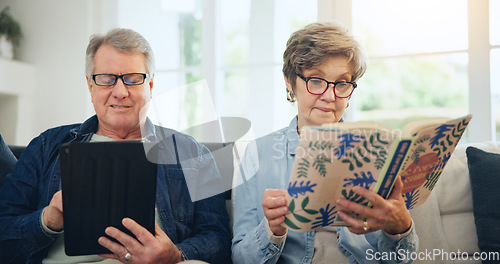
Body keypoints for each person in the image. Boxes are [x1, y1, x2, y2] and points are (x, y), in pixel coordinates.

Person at [0, 28, 231, 264]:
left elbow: (219, 239)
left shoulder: (193, 155)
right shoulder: (45, 146)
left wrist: (176, 255)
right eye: (107, 79)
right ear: (91, 87)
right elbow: (3, 236)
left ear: (150, 86)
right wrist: (47, 220)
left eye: (132, 79)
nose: (120, 92)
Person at [231, 23, 418, 264]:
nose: (330, 96)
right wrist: (272, 229)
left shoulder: (378, 151)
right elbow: (240, 259)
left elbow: (400, 260)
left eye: (342, 83)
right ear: (290, 82)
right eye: (317, 80)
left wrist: (400, 227)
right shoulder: (257, 153)